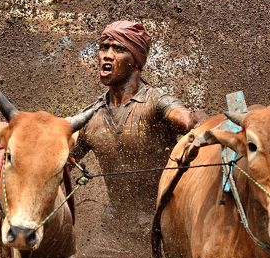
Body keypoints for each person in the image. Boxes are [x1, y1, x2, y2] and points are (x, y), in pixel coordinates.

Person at [71, 20, 204, 224]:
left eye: (119, 49)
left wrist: (200, 123)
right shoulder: (90, 118)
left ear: (135, 60)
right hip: (117, 225)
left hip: (163, 222)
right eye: (104, 47)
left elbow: (190, 121)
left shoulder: (157, 102)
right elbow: (59, 164)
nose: (107, 55)